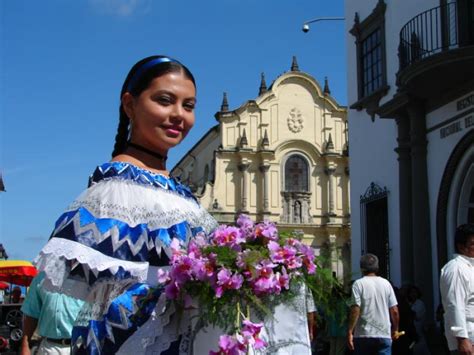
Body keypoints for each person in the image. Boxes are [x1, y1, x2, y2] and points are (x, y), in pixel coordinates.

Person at [32, 55, 218, 354]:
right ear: (130, 104)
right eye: (165, 100)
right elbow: (112, 302)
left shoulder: (181, 196)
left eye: (189, 106)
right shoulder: (115, 194)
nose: (179, 115)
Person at [347, 253, 400, 355]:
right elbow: (394, 311)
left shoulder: (358, 284)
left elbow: (355, 309)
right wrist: (396, 328)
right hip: (383, 334)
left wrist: (350, 331)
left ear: (362, 268)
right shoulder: (386, 284)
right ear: (377, 267)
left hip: (363, 335)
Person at [20, 272, 84, 355]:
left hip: (80, 347)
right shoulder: (41, 277)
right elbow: (32, 314)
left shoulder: (88, 278)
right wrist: (25, 345)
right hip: (48, 347)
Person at [439, 223, 474, 355]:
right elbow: (455, 305)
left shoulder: (469, 268)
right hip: (468, 339)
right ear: (461, 246)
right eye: (472, 244)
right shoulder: (456, 269)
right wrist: (462, 339)